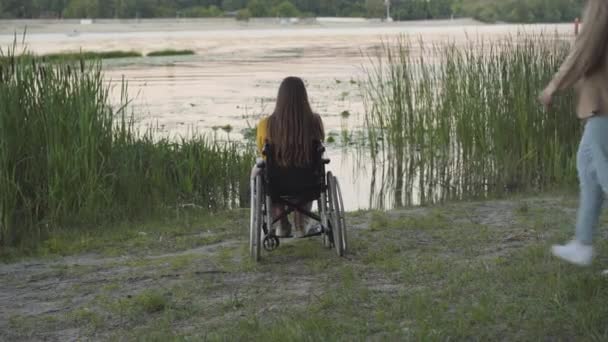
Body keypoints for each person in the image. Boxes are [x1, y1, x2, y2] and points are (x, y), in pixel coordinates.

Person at [539, 0, 608, 267]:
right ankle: (582, 243)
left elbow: (585, 50)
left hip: (604, 104)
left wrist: (554, 86)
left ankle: (582, 244)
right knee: (588, 165)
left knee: (600, 170)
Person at [255, 76, 325, 238]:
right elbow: (319, 145)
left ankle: (281, 222)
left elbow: (262, 151)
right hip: (308, 181)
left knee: (260, 171)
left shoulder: (266, 124)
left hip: (277, 183)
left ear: (280, 98)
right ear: (304, 98)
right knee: (313, 170)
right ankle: (301, 223)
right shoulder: (315, 121)